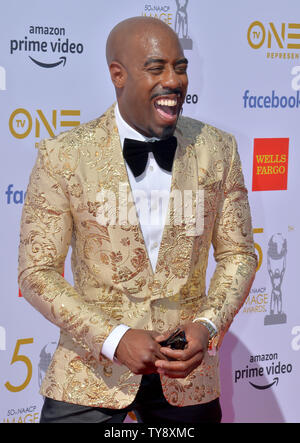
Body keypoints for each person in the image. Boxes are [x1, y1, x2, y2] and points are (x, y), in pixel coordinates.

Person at [18, 16, 257, 424]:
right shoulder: (64, 155)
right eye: (157, 68)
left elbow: (240, 254)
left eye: (180, 68)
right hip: (89, 372)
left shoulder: (218, 149)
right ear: (118, 74)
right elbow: (36, 272)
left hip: (187, 374)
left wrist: (207, 325)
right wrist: (115, 339)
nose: (174, 80)